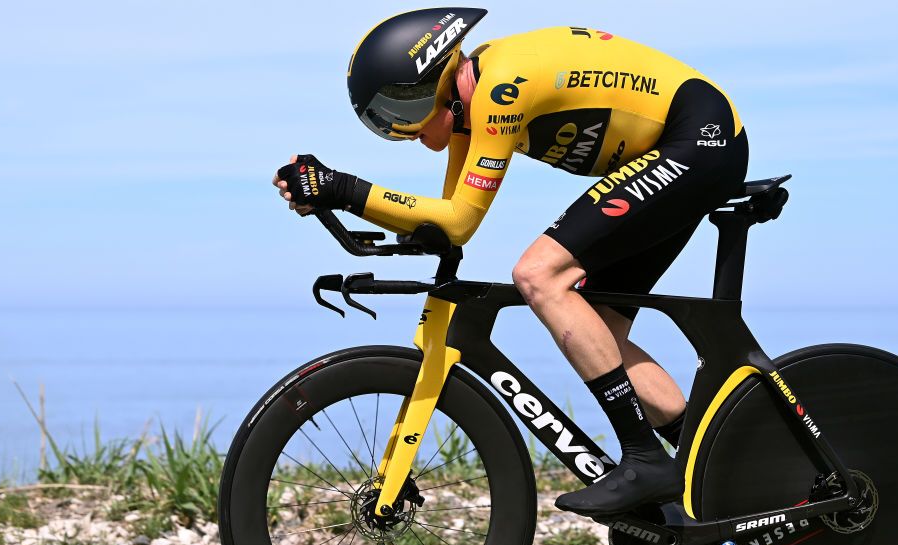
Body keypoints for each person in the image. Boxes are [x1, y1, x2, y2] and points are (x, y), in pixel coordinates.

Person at [273, 8, 749, 517]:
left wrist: (343, 188)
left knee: (539, 275)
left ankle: (646, 460)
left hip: (698, 138)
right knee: (601, 330)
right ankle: (717, 468)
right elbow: (444, 220)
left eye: (399, 109)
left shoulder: (503, 88)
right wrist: (338, 200)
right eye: (383, 119)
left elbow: (458, 222)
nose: (400, 129)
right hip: (682, 144)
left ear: (432, 83)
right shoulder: (468, 102)